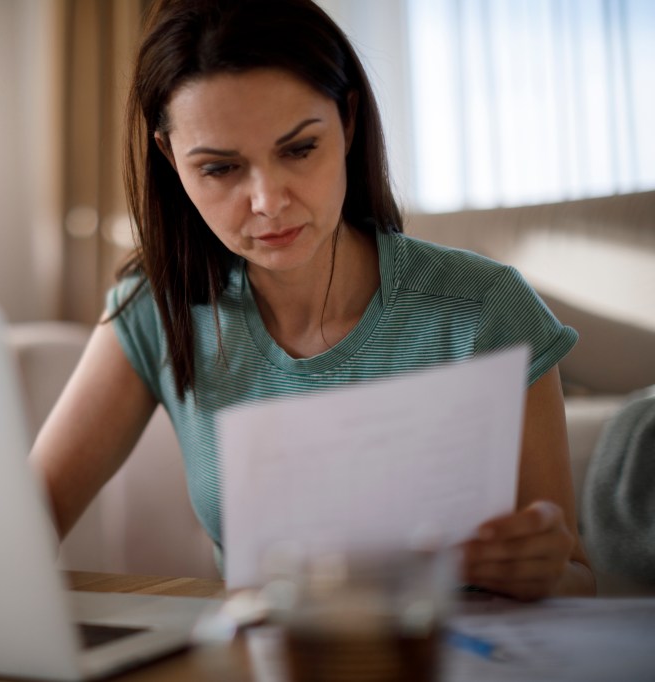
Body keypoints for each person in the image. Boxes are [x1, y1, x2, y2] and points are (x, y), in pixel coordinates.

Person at [29, 0, 594, 601]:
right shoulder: (155, 310)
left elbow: (575, 581)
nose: (268, 202)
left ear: (347, 120)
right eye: (221, 168)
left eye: (298, 150)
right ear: (172, 160)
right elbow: (25, 522)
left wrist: (543, 570)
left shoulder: (485, 308)